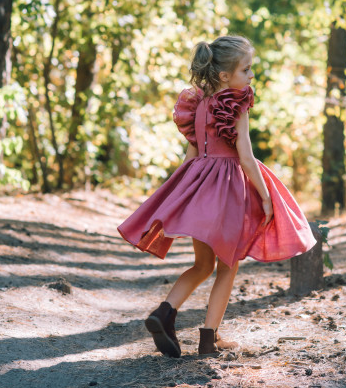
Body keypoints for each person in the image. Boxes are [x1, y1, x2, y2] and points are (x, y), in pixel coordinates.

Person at [117, 35, 317, 357]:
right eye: (246, 70)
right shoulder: (236, 105)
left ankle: (164, 312)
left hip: (199, 188)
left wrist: (182, 195)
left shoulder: (195, 106)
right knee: (227, 266)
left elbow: (191, 156)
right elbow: (246, 157)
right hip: (228, 192)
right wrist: (265, 196)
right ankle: (209, 339)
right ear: (225, 76)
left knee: (202, 265)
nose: (251, 76)